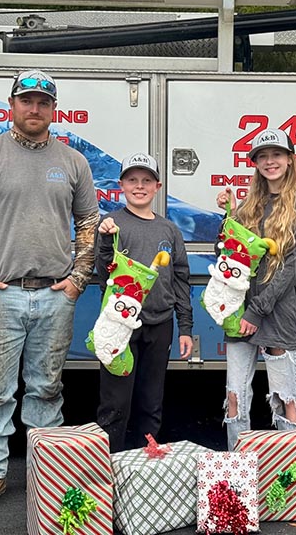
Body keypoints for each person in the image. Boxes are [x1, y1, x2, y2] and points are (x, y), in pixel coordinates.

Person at [0, 70, 99, 512]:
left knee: (46, 388)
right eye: (27, 100)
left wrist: (76, 281)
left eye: (43, 102)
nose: (35, 109)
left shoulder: (72, 162)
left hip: (55, 296)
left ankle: (45, 472)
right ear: (12, 105)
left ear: (54, 109)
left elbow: (88, 225)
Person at [215, 128, 296, 451]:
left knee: (286, 399)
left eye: (276, 155)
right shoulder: (247, 207)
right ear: (255, 163)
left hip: (278, 314)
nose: (270, 162)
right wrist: (228, 217)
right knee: (235, 397)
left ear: (290, 159)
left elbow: (294, 268)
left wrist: (258, 310)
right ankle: (237, 472)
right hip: (241, 311)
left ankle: (291, 470)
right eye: (263, 156)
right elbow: (230, 257)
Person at [95, 153, 194, 452]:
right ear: (121, 185)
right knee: (115, 403)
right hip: (118, 327)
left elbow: (180, 279)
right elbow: (104, 273)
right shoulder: (111, 224)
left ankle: (144, 464)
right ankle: (109, 467)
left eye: (146, 180)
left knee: (151, 402)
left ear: (158, 186)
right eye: (132, 180)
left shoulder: (169, 230)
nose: (139, 186)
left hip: (159, 324)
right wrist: (103, 242)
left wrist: (185, 327)